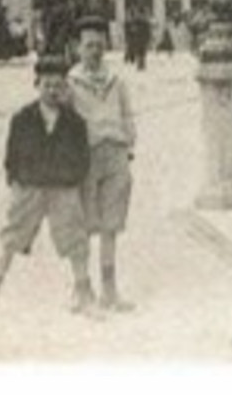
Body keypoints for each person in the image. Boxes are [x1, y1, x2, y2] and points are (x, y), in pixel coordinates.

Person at [0, 57, 96, 318]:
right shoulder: (22, 118)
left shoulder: (75, 123)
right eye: (47, 85)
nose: (53, 91)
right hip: (30, 187)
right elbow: (11, 156)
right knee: (12, 237)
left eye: (59, 86)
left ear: (66, 88)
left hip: (62, 188)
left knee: (76, 239)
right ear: (37, 85)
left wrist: (72, 180)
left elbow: (83, 158)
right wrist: (17, 180)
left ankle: (84, 292)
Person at [68, 19, 137, 312]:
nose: (94, 51)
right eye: (88, 45)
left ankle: (110, 290)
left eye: (99, 45)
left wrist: (128, 143)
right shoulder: (70, 83)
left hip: (116, 155)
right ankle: (82, 289)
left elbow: (128, 115)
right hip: (84, 157)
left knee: (111, 224)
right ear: (77, 48)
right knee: (82, 225)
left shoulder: (116, 80)